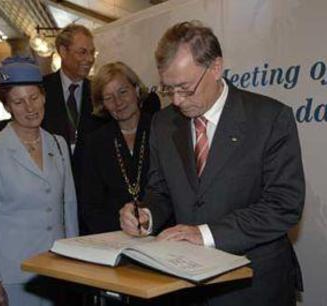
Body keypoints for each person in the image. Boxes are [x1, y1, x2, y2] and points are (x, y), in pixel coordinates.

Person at [120, 21, 304, 306]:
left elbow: (284, 204)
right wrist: (146, 215)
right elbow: (160, 190)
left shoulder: (270, 119)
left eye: (185, 88)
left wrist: (205, 233)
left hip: (253, 284)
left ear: (216, 67)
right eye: (169, 89)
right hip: (185, 285)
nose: (178, 101)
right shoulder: (163, 123)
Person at [0, 56, 79, 306]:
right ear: (7, 106)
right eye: (18, 101)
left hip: (54, 271)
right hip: (11, 276)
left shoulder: (58, 144)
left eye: (34, 97)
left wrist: (73, 264)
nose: (29, 108)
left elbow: (68, 209)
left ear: (44, 96)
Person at [80, 62, 163, 234]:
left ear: (137, 90)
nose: (118, 102)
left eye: (123, 92)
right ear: (102, 104)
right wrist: (124, 227)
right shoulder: (95, 143)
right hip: (113, 238)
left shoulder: (162, 130)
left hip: (162, 234)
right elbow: (90, 205)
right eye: (109, 98)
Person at [41, 24, 108, 233]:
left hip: (91, 198)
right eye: (82, 52)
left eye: (91, 52)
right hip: (51, 196)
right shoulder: (41, 90)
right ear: (62, 51)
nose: (89, 59)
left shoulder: (99, 92)